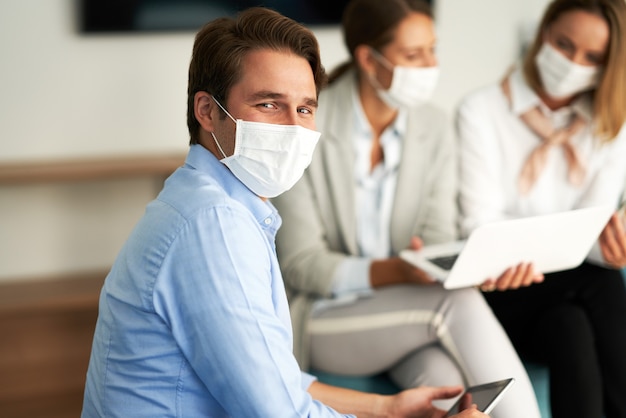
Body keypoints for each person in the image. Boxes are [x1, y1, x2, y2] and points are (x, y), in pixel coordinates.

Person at [80, 6, 489, 418]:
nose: (293, 128)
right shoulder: (214, 225)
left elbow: (277, 379)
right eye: (269, 105)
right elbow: (282, 413)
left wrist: (388, 409)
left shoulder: (220, 205)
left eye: (306, 109)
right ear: (207, 111)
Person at [272, 1, 541, 417]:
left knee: (446, 390)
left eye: (432, 50)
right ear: (368, 59)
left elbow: (436, 240)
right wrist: (397, 271)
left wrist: (430, 262)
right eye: (414, 56)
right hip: (321, 314)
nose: (430, 65)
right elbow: (301, 263)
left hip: (405, 315)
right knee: (455, 303)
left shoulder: (434, 127)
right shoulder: (307, 122)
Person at [455, 0, 626, 417]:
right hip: (499, 289)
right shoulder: (481, 111)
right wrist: (580, 244)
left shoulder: (609, 124)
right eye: (564, 45)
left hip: (561, 297)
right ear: (543, 33)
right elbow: (479, 228)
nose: (572, 63)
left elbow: (593, 233)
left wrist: (609, 244)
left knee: (569, 325)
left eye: (591, 58)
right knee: (600, 284)